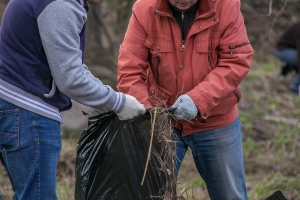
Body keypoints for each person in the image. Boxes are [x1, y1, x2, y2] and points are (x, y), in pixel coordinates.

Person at [0, 0, 146, 199]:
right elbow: (70, 78)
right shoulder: (61, 4)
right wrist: (118, 102)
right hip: (28, 112)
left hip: (10, 101)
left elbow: (66, 63)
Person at [117, 0, 254, 199]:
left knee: (230, 195)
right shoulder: (144, 8)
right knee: (150, 194)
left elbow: (236, 60)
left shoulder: (226, 5)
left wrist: (199, 99)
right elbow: (129, 69)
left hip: (216, 120)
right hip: (163, 120)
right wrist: (148, 113)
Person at [274, 21, 300, 95]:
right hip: (282, 50)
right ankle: (294, 87)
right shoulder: (298, 28)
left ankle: (289, 66)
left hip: (293, 50)